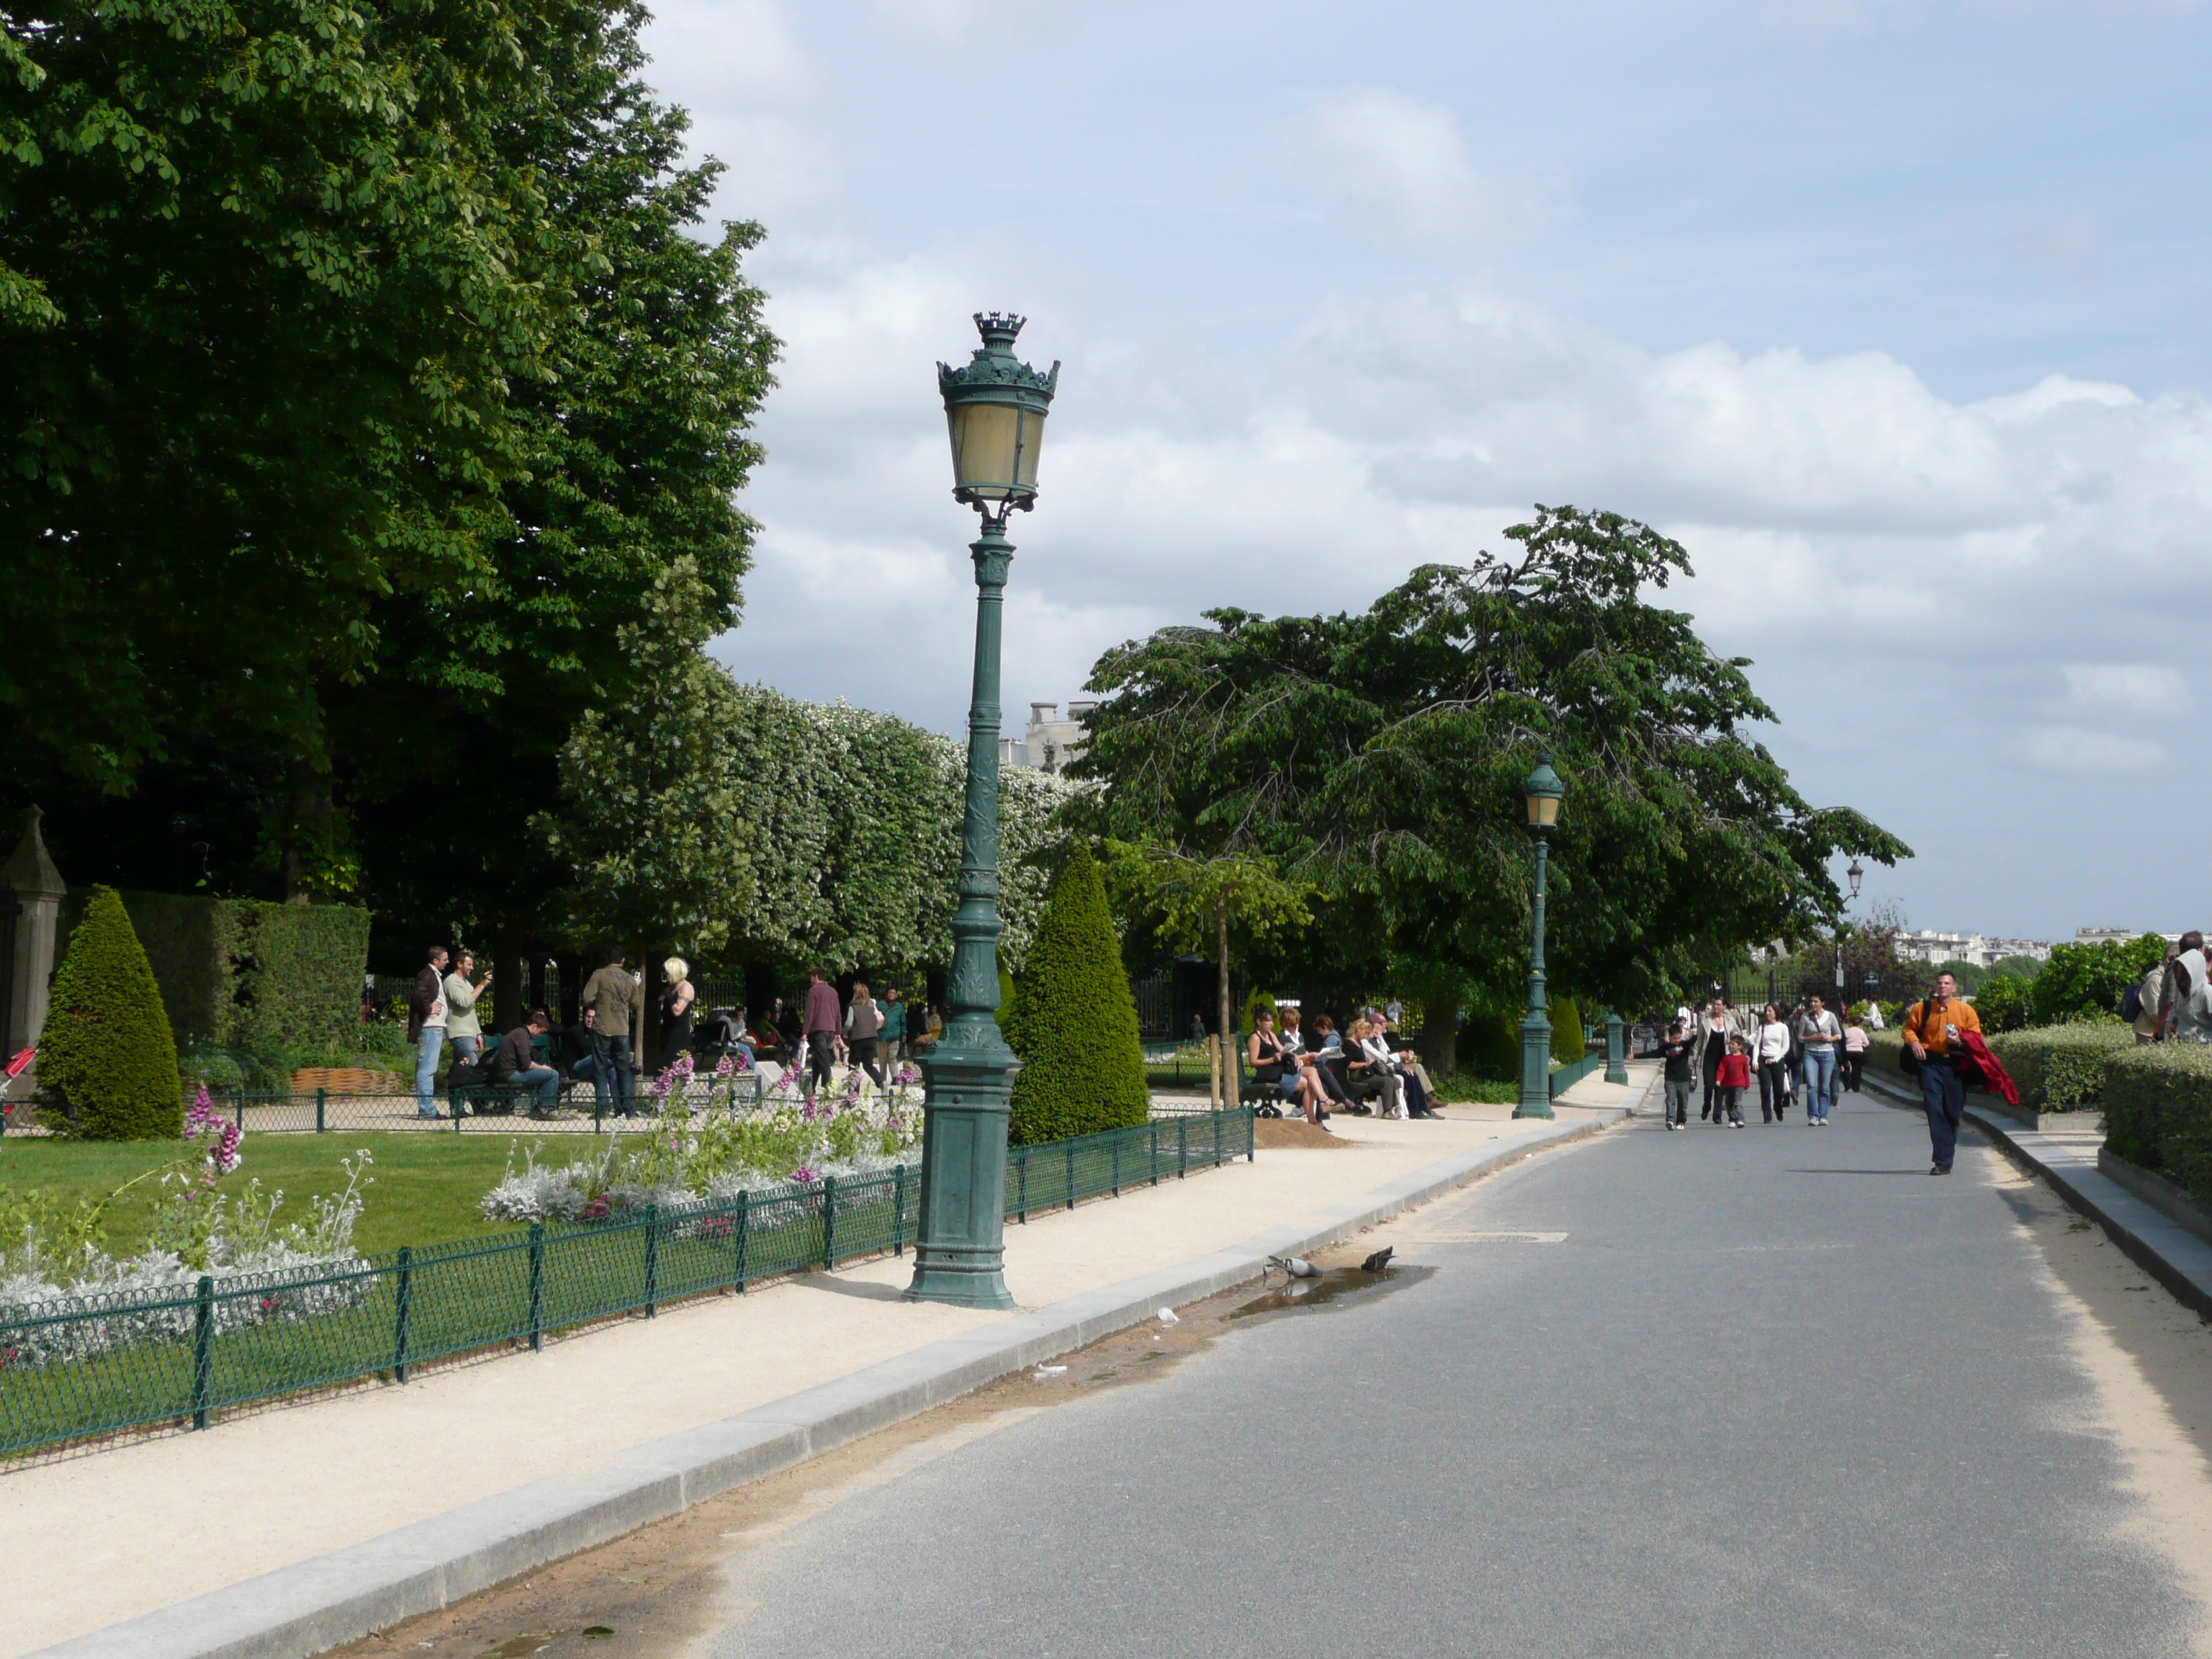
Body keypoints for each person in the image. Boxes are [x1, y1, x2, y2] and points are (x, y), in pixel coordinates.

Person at [1901, 970, 1983, 1174]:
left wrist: (1960, 1040)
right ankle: (1942, 1160)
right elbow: (1908, 1029)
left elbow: (1976, 1036)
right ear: (1936, 987)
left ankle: (1946, 1151)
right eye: (1939, 983)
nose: (1943, 986)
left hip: (1955, 1065)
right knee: (1933, 1107)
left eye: (1947, 983)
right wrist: (1914, 1043)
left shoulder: (1965, 1010)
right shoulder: (1923, 1008)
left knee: (1952, 1112)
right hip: (1930, 1064)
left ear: (1955, 988)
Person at [580, 948, 639, 1118]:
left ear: (608, 959)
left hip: (603, 1027)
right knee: (624, 1071)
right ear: (623, 961)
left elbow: (587, 998)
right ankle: (629, 1110)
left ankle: (603, 1109)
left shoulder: (599, 974)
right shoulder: (629, 979)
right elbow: (635, 1004)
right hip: (622, 1029)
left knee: (600, 1069)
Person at [408, 945, 451, 1120]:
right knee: (427, 1069)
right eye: (445, 959)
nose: (447, 962)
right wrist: (429, 1008)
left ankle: (427, 1108)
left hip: (435, 1027)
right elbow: (417, 993)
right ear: (435, 960)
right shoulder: (427, 974)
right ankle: (426, 1110)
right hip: (431, 1028)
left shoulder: (433, 975)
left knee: (427, 1068)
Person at [493, 1009, 562, 1114]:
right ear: (534, 1026)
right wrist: (543, 1067)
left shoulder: (520, 1033)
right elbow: (527, 1064)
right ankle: (547, 1108)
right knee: (552, 1074)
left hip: (508, 1072)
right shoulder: (522, 1035)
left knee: (547, 1074)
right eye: (540, 1031)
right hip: (511, 1074)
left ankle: (542, 1107)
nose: (540, 1034)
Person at [1346, 1017, 1406, 1118]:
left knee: (1394, 1080)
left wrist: (1381, 1040)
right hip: (1358, 1073)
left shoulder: (1362, 1043)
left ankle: (1396, 1109)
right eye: (1366, 1033)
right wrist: (1365, 1063)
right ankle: (1388, 1111)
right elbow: (1348, 1064)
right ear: (1358, 1030)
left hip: (1366, 1071)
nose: (1367, 1036)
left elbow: (1384, 1057)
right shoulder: (1353, 1043)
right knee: (1387, 1081)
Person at [442, 950, 491, 1071]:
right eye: (469, 965)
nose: (472, 968)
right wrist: (481, 985)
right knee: (473, 1069)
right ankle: (470, 1090)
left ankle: (454, 1089)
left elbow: (471, 1011)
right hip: (460, 1033)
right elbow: (464, 1002)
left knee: (460, 1069)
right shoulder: (451, 981)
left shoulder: (466, 983)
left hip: (469, 1033)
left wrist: (478, 1033)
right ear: (460, 964)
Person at [1797, 994, 1842, 1125]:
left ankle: (1823, 1115)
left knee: (1824, 1086)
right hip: (1810, 1053)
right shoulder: (1805, 1017)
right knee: (1812, 1085)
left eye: (1816, 1001)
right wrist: (1813, 1038)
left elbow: (1838, 1035)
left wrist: (1828, 1039)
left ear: (1822, 1002)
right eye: (1811, 1001)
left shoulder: (1831, 1016)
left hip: (1827, 1053)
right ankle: (1813, 1116)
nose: (1813, 1004)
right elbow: (1800, 1037)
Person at [802, 968, 840, 1101]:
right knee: (818, 1060)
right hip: (830, 1029)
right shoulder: (833, 992)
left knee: (823, 1059)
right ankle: (811, 1088)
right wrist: (838, 1031)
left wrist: (805, 1032)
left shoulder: (814, 991)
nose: (810, 980)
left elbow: (809, 1013)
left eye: (811, 977)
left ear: (816, 977)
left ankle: (828, 1087)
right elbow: (837, 1012)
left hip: (819, 1030)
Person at [1755, 1003, 1793, 1123]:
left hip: (1777, 1060)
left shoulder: (1782, 1027)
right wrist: (1754, 1060)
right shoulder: (1763, 1027)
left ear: (1776, 1012)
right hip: (1764, 1059)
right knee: (1765, 1089)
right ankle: (1767, 1115)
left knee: (1779, 1089)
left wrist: (1776, 1059)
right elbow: (1757, 1045)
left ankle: (1778, 1107)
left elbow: (1786, 1046)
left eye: (1770, 1011)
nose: (1768, 1013)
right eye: (1766, 1011)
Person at [846, 981, 887, 1091]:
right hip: (871, 1038)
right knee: (868, 1065)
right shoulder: (871, 1006)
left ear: (856, 993)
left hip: (857, 1039)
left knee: (854, 1066)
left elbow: (849, 1024)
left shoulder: (853, 1007)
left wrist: (844, 1033)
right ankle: (880, 1081)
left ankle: (854, 1092)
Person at [2134, 945, 2179, 1044]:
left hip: (2159, 1032)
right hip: (2148, 1034)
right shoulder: (2156, 979)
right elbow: (2155, 1012)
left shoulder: (2167, 977)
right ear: (2169, 959)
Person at [659, 957, 696, 1070]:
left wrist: (669, 997)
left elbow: (677, 1011)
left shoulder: (686, 987)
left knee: (672, 1067)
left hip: (678, 1034)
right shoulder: (673, 987)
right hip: (667, 1031)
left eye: (668, 971)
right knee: (664, 1068)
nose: (666, 974)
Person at [1699, 999, 1731, 1123]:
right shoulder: (1706, 1021)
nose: (1716, 1007)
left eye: (1719, 1005)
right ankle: (1707, 1105)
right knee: (1708, 1085)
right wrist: (1696, 1056)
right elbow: (1700, 1040)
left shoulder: (1729, 1021)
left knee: (1720, 1087)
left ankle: (1717, 1115)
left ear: (1725, 1007)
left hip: (1723, 1058)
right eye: (1715, 1004)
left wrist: (1732, 1040)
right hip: (1708, 1057)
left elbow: (1739, 1036)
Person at [1661, 1020, 1696, 1130]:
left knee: (1683, 1102)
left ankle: (1681, 1121)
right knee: (1670, 1100)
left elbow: (1692, 1041)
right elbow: (1652, 1053)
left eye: (1679, 1038)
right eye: (1675, 1038)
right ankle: (1670, 1120)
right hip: (1670, 1078)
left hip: (1684, 1079)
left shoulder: (1684, 1046)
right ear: (1670, 1037)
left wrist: (1694, 1034)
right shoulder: (1666, 1048)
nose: (1677, 1041)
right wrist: (1635, 1056)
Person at [1712, 1035, 1751, 1127]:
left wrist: (1747, 1085)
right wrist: (1719, 1080)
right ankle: (1732, 1119)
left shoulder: (1743, 1058)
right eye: (1730, 1044)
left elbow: (1746, 1072)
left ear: (1740, 1046)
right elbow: (1721, 1070)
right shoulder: (1726, 1058)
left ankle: (1740, 1119)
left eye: (1733, 1044)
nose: (1731, 1046)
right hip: (1728, 1084)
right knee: (1729, 1103)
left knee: (1738, 1102)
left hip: (1740, 1084)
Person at [1840, 1012, 1869, 1093]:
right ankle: (1856, 1087)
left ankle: (1847, 1084)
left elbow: (1842, 1042)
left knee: (1845, 1068)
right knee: (1857, 1070)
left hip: (1847, 1052)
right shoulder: (1861, 1032)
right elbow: (1866, 1043)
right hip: (1858, 1052)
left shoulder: (1846, 1031)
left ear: (1851, 1023)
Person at [881, 988, 908, 1065]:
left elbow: (903, 1021)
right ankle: (882, 1077)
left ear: (896, 995)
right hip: (882, 1035)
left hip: (894, 1035)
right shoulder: (880, 1005)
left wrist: (904, 1033)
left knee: (893, 1057)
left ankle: (895, 1077)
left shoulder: (900, 1007)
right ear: (886, 994)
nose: (891, 994)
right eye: (890, 992)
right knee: (882, 1059)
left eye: (893, 993)